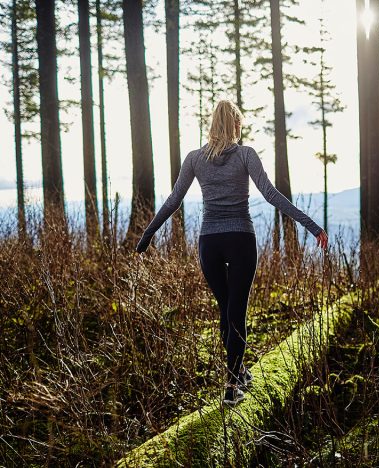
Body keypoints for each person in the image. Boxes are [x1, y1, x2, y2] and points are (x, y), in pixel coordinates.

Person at [135, 99, 328, 406]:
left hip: (209, 242)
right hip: (240, 238)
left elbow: (174, 200)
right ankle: (232, 385)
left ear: (213, 126)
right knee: (236, 311)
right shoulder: (245, 154)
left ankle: (238, 372)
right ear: (235, 124)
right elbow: (271, 194)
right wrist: (312, 225)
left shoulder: (195, 158)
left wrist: (147, 235)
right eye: (240, 124)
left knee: (226, 310)